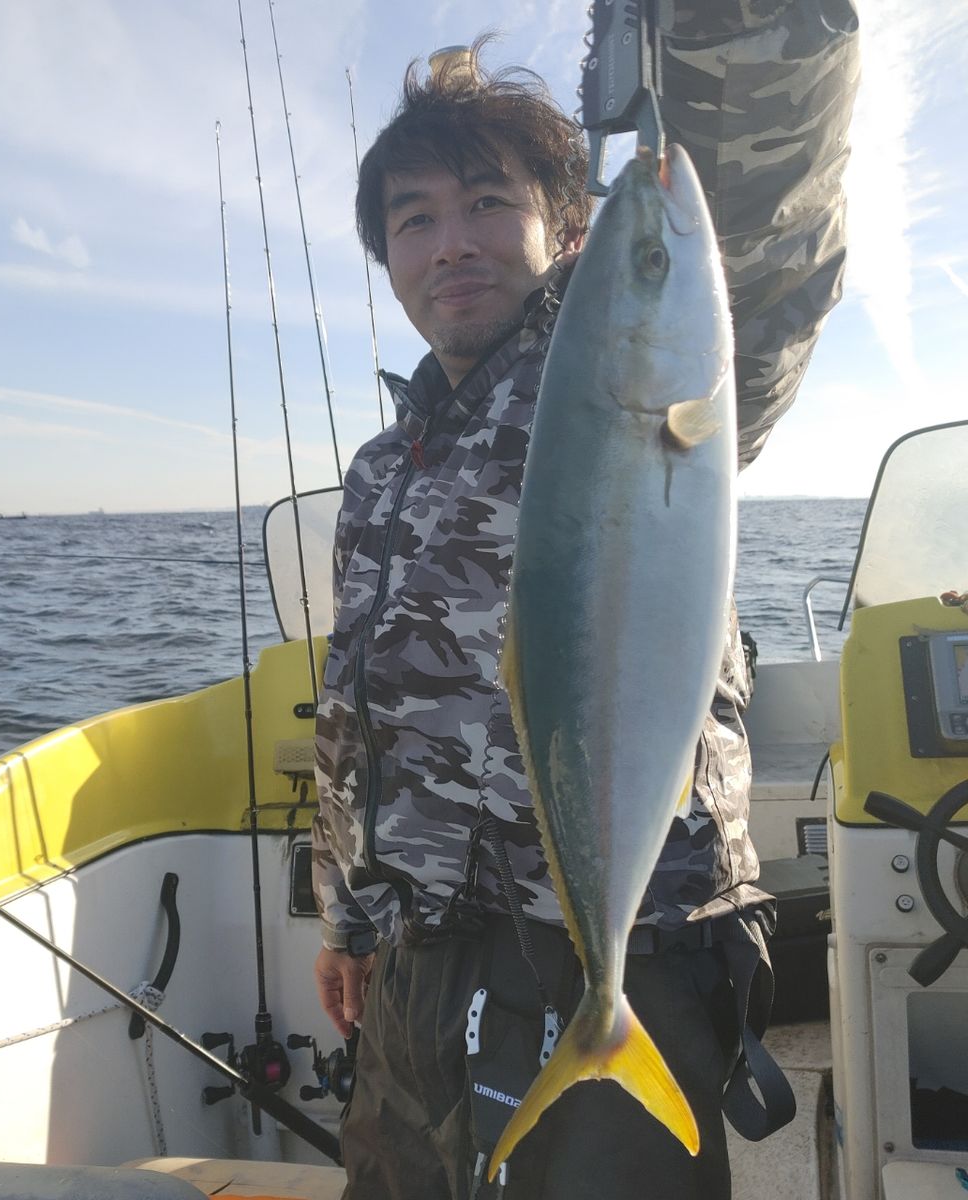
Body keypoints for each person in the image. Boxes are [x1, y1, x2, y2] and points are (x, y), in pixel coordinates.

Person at [311, 5, 859, 1198]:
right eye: (415, 220)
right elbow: (356, 714)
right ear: (388, 257)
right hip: (419, 960)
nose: (450, 243)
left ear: (564, 229)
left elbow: (759, 265)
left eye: (487, 203)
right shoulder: (379, 474)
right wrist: (348, 918)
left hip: (627, 939)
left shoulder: (630, 366)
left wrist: (728, 31)